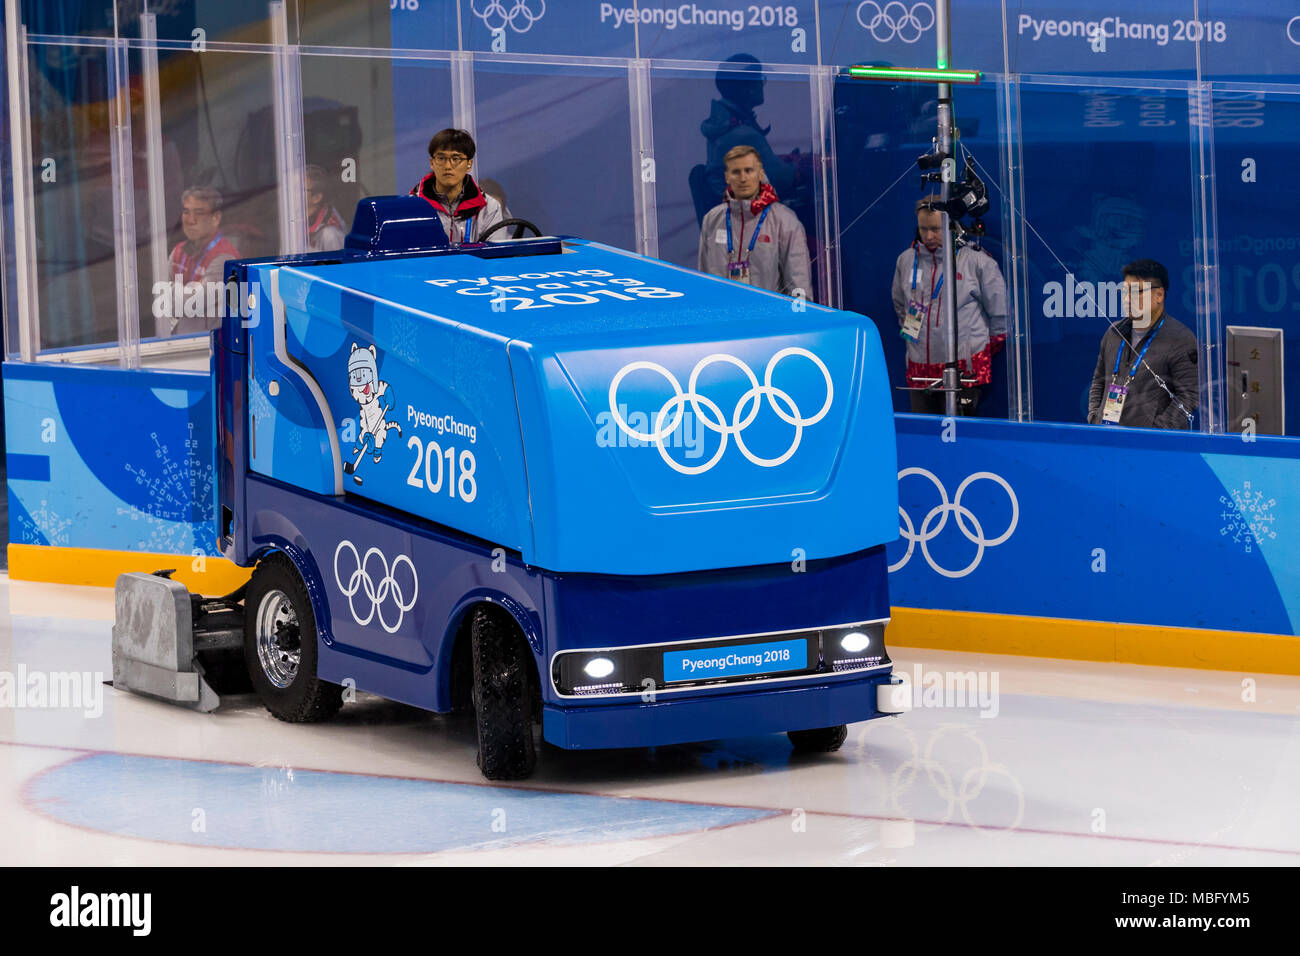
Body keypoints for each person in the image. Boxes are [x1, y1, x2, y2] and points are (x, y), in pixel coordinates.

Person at [891, 195, 1007, 415]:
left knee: (960, 432)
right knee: (923, 431)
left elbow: (1000, 314)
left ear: (951, 225)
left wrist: (978, 350)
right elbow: (901, 306)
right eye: (923, 229)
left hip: (964, 371)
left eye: (935, 229)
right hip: (919, 371)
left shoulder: (976, 261)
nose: (929, 236)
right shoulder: (905, 261)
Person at [1087, 259, 1198, 429]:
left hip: (1150, 441)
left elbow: (1189, 396)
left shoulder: (1180, 338)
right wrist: (1095, 417)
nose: (1127, 299)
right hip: (1107, 435)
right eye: (1124, 291)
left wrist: (1154, 433)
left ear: (1159, 295)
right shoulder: (1114, 333)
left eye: (1135, 292)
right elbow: (1098, 381)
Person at [698, 145, 811, 299]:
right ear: (727, 177)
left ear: (760, 173)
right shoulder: (712, 220)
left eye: (749, 171)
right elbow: (704, 283)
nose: (743, 178)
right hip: (723, 313)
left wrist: (800, 313)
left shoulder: (785, 221)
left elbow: (799, 286)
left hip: (768, 314)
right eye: (736, 172)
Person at [408, 128, 505, 244]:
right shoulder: (412, 207)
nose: (448, 166)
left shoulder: (489, 208)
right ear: (432, 163)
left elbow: (495, 253)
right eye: (441, 158)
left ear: (469, 164)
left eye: (455, 159)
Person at [169, 185, 240, 334]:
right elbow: (158, 296)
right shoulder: (178, 251)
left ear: (216, 218)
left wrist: (173, 292)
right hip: (180, 339)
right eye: (186, 212)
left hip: (211, 342)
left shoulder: (225, 258)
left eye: (199, 213)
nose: (191, 220)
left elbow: (193, 303)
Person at [305, 165, 346, 252]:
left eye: (299, 189)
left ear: (316, 198)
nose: (291, 193)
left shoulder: (330, 235)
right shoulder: (291, 223)